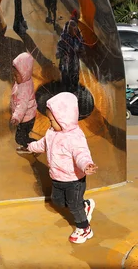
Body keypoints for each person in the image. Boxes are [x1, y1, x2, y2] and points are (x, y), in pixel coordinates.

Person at [27, 92, 98, 244]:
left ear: (64, 119)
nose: (50, 123)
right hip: (57, 177)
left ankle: (84, 229)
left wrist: (86, 165)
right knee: (58, 201)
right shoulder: (52, 133)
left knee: (73, 205)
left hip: (74, 180)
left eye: (52, 120)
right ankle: (85, 205)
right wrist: (31, 146)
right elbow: (43, 144)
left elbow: (81, 153)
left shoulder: (75, 136)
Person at [10, 52, 37, 154]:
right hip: (26, 116)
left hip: (26, 118)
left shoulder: (24, 89)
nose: (14, 78)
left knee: (20, 138)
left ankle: (35, 146)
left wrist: (16, 117)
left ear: (24, 73)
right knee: (23, 135)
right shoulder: (24, 80)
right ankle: (28, 146)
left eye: (16, 75)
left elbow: (22, 106)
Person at [56, 11, 85, 93]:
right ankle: (65, 93)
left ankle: (74, 92)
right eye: (73, 30)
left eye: (76, 30)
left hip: (74, 63)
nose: (75, 31)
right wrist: (60, 52)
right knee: (65, 80)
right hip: (65, 63)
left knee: (75, 79)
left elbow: (81, 48)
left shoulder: (78, 37)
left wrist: (81, 50)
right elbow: (59, 47)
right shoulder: (64, 37)